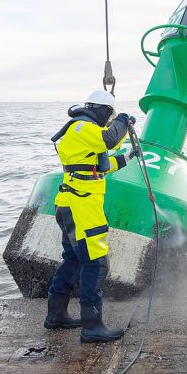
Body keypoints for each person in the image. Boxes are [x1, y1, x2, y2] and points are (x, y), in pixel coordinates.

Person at [44, 88, 137, 343]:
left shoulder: (80, 133)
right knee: (95, 265)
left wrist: (128, 156)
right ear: (103, 110)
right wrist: (123, 120)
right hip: (83, 208)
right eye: (109, 116)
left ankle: (56, 315)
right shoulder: (83, 127)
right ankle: (92, 326)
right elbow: (109, 139)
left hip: (70, 203)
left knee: (73, 260)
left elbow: (98, 167)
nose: (109, 121)